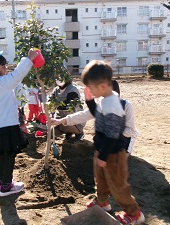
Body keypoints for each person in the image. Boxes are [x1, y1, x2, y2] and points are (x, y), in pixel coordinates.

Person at [53, 60, 144, 224]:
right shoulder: (105, 101)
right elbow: (93, 114)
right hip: (103, 150)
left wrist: (103, 155)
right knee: (100, 180)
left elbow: (112, 134)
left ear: (102, 85)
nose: (89, 90)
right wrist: (66, 118)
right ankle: (102, 202)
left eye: (91, 87)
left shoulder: (114, 105)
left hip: (113, 153)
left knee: (117, 185)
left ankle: (134, 213)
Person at [0, 49, 38, 197]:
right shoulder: (0, 83)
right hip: (7, 126)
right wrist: (28, 59)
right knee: (9, 155)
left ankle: (2, 181)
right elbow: (16, 76)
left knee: (4, 156)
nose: (5, 68)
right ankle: (6, 187)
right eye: (2, 66)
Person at [51, 79, 138, 156]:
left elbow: (131, 131)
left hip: (124, 140)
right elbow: (83, 115)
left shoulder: (126, 105)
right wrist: (61, 121)